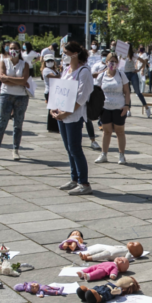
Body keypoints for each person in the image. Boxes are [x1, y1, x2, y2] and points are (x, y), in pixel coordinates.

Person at [52, 41, 94, 195]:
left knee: (75, 148)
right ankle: (74, 178)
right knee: (69, 149)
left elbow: (82, 97)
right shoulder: (67, 70)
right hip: (62, 115)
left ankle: (84, 183)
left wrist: (67, 112)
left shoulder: (84, 71)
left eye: (65, 53)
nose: (63, 56)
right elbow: (61, 90)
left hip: (74, 116)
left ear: (75, 54)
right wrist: (55, 108)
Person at [0, 41, 31, 161]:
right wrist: (17, 80)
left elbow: (23, 80)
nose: (12, 51)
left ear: (19, 50)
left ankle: (15, 150)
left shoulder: (24, 64)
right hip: (6, 95)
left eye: (15, 48)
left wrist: (9, 78)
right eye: (11, 48)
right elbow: (2, 79)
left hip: (21, 96)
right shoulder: (4, 61)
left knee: (18, 124)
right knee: (1, 124)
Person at [93, 53, 131, 165]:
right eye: (110, 61)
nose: (112, 63)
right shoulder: (102, 75)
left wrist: (127, 105)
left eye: (114, 61)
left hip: (119, 108)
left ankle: (122, 155)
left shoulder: (121, 75)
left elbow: (127, 91)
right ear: (106, 62)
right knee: (107, 131)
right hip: (105, 108)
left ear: (117, 63)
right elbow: (96, 91)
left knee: (120, 131)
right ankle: (104, 154)